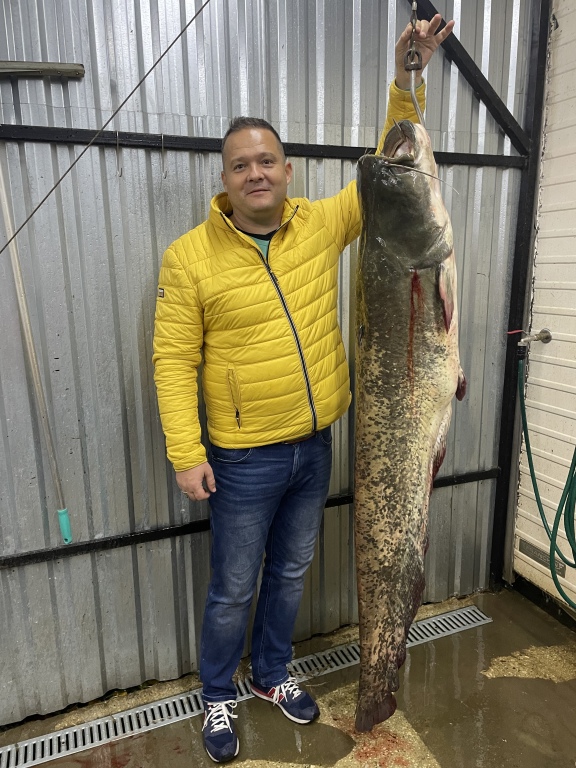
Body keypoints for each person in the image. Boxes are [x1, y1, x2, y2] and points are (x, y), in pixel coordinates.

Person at [153, 14, 454, 764]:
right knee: (233, 586)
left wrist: (407, 78)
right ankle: (217, 693)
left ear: (288, 170)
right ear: (225, 180)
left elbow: (393, 173)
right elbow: (172, 361)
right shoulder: (189, 259)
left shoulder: (320, 224)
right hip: (243, 457)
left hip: (315, 445)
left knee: (290, 572)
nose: (255, 173)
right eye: (240, 165)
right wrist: (187, 453)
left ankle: (271, 673)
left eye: (267, 161)